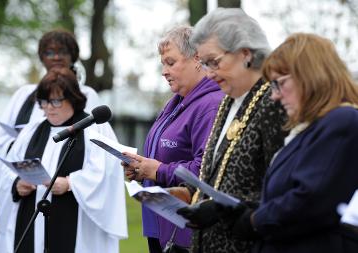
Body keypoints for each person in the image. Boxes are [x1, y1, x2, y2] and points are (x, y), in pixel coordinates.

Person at [206, 33, 358, 253]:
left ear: (311, 76)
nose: (274, 96)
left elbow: (310, 201)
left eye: (280, 83)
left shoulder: (342, 121)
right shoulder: (312, 129)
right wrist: (238, 210)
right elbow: (288, 196)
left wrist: (253, 221)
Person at [175, 8, 287, 253]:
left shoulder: (274, 102)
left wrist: (221, 210)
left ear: (245, 53)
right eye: (204, 64)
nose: (209, 73)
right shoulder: (227, 100)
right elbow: (218, 172)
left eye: (214, 62)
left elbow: (284, 190)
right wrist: (185, 193)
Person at [0, 67, 127, 253]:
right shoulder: (32, 130)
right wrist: (17, 183)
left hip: (74, 222)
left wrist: (70, 183)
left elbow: (106, 174)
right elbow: (9, 167)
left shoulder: (94, 130)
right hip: (30, 216)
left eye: (55, 101)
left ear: (72, 97)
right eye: (44, 101)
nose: (48, 108)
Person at [122, 25, 224, 252]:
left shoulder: (210, 105)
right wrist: (141, 169)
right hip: (160, 225)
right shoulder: (175, 102)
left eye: (171, 62)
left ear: (197, 58)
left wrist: (158, 171)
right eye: (162, 63)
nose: (163, 71)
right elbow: (165, 157)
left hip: (186, 231)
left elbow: (207, 170)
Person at [0, 29, 99, 218]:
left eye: (62, 52)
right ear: (41, 57)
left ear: (73, 56)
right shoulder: (24, 94)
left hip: (67, 194)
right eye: (49, 53)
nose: (56, 57)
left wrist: (73, 183)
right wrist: (22, 145)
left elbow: (96, 148)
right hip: (27, 188)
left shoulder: (86, 94)